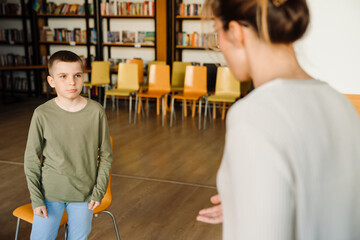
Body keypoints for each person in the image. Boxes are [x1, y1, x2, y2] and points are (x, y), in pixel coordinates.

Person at [196, 0, 360, 239]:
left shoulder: (252, 116)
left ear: (236, 32)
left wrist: (252, 214)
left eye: (216, 31)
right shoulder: (340, 104)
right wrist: (253, 204)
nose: (218, 44)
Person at [24, 50, 112, 240]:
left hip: (85, 195)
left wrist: (98, 192)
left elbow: (106, 155)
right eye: (63, 76)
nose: (71, 82)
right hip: (49, 193)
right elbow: (31, 159)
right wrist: (36, 198)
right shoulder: (42, 114)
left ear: (83, 77)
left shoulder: (96, 112)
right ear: (51, 81)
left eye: (77, 75)